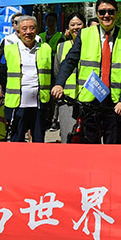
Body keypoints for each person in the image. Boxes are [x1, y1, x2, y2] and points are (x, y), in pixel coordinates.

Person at [52, 0, 121, 144]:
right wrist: (59, 83)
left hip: (115, 105)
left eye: (110, 11)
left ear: (116, 13)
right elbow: (69, 61)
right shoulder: (85, 34)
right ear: (97, 14)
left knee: (113, 151)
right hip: (89, 103)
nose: (106, 15)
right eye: (102, 12)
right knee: (89, 150)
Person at [0, 15, 52, 143]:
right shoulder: (9, 49)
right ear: (18, 31)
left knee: (38, 140)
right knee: (17, 140)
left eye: (32, 28)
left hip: (39, 103)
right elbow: (2, 73)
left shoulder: (46, 49)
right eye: (24, 29)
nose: (28, 32)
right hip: (17, 104)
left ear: (37, 30)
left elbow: (51, 73)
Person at [54, 12, 86, 143]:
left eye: (79, 24)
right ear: (68, 28)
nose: (76, 27)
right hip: (67, 101)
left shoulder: (91, 47)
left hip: (87, 101)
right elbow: (57, 72)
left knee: (87, 139)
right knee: (67, 139)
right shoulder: (61, 47)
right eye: (72, 24)